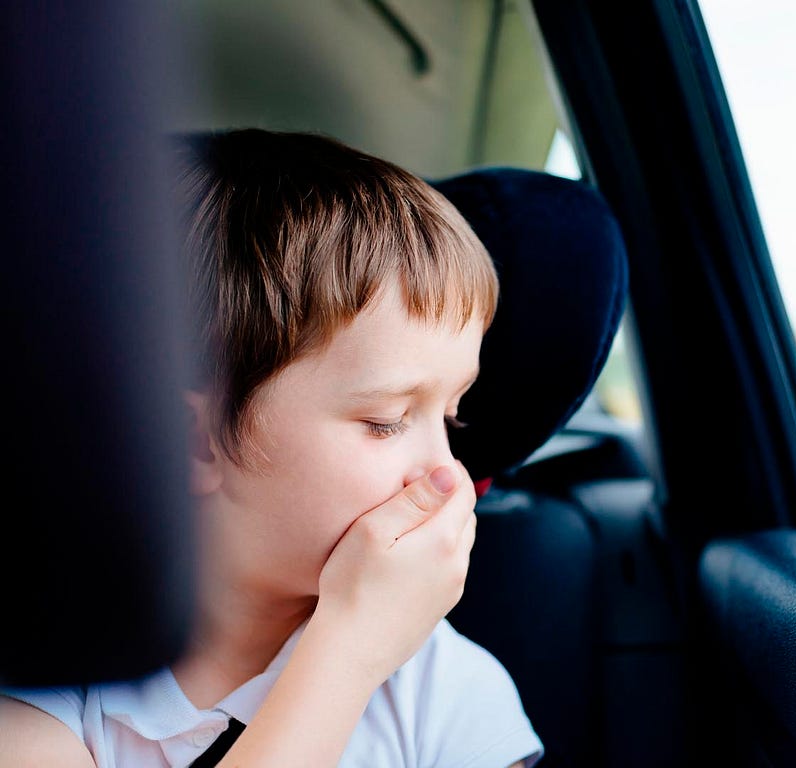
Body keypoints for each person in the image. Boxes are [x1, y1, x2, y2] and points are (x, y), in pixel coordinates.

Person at [0, 128, 543, 767]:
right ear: (193, 441)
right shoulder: (42, 676)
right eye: (387, 420)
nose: (447, 471)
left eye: (450, 417)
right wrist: (349, 650)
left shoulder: (447, 694)